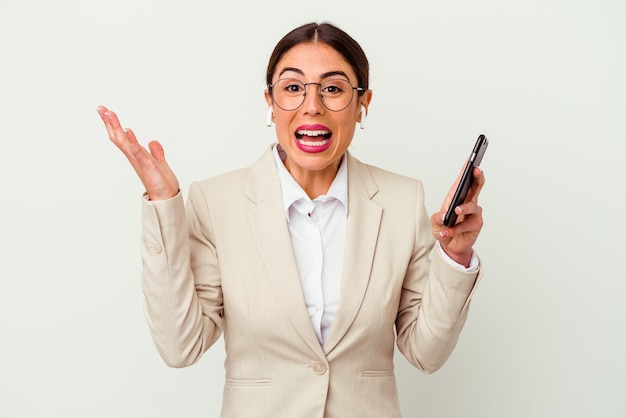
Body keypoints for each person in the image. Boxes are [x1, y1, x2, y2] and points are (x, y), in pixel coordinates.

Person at [97, 21, 485, 418]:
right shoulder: (216, 202)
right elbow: (180, 346)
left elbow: (426, 354)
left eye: (333, 88)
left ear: (363, 103)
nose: (312, 105)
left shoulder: (403, 201)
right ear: (270, 101)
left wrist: (455, 258)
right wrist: (164, 205)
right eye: (293, 87)